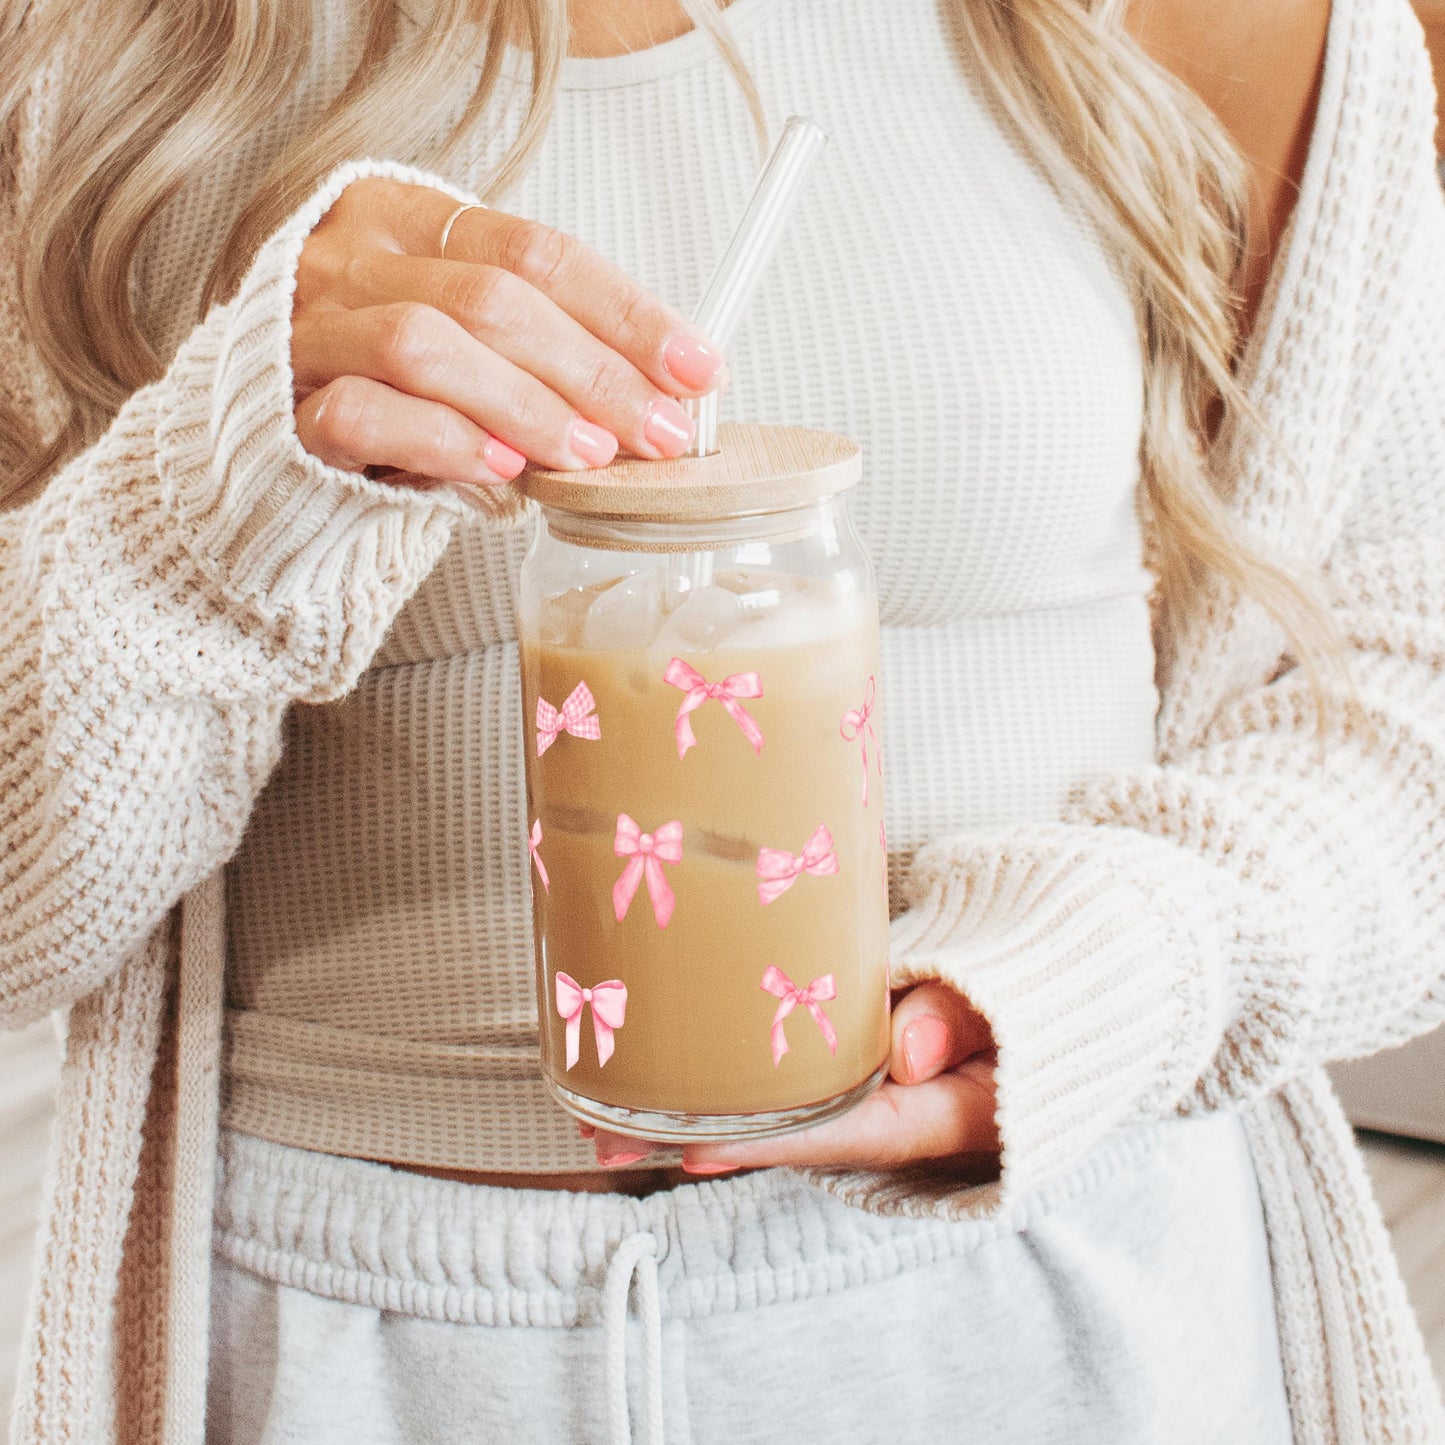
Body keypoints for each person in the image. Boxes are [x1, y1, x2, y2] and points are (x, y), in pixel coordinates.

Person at [2, 0, 1443, 1440]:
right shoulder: (89, 59)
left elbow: (1408, 697)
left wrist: (1104, 967)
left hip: (1063, 1310)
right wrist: (205, 507)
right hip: (356, 1355)